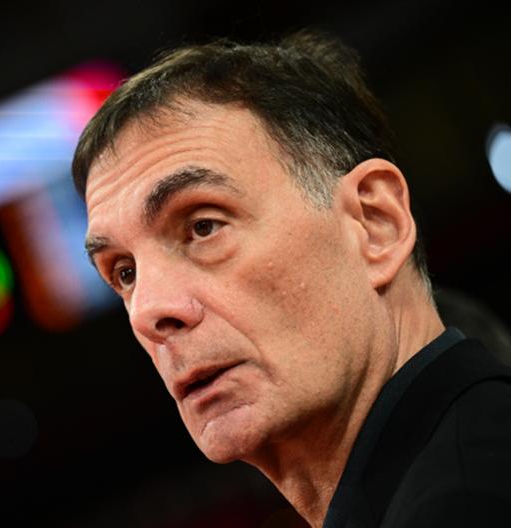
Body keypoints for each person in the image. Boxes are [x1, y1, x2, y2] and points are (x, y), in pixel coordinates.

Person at [72, 31, 511, 527]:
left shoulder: (471, 501)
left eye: (203, 226)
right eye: (125, 272)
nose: (149, 311)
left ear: (375, 224)